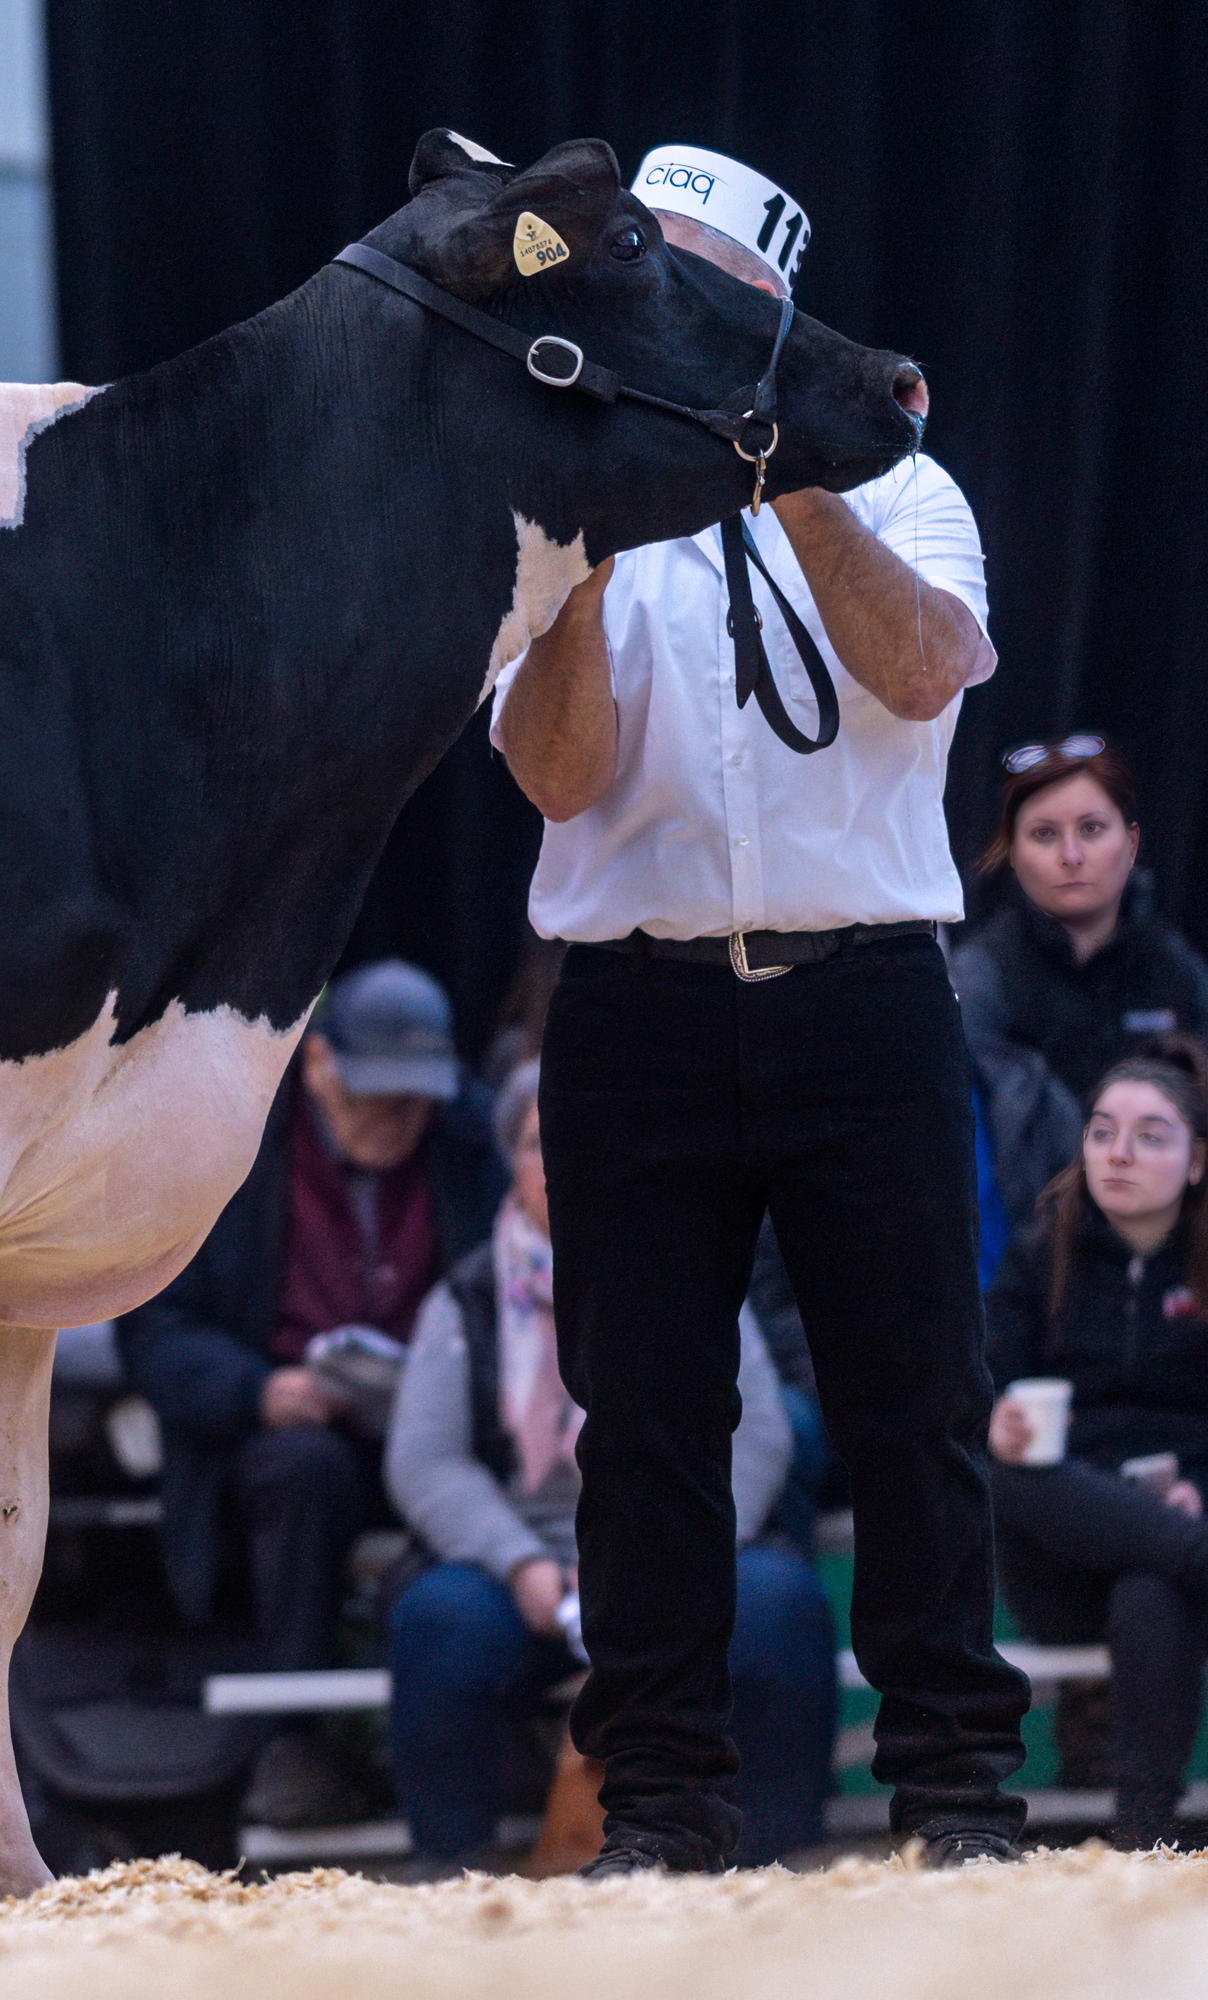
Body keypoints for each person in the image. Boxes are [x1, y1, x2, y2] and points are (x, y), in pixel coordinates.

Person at [492, 142, 1030, 1872]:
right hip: (631, 1013)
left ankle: (956, 1795)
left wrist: (794, 470)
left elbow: (924, 670)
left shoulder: (909, 487)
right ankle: (660, 1809)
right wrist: (583, 553)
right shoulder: (564, 514)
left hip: (864, 996)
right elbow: (555, 774)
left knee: (915, 1403)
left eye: (706, 299)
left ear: (777, 321)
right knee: (643, 1423)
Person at [385, 1063, 835, 1871]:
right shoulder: (465, 1298)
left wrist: (673, 1558)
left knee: (779, 1605)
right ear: (510, 1162)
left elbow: (762, 1433)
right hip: (523, 1571)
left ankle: (782, 1862)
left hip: (675, 1555)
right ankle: (449, 1873)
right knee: (438, 1619)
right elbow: (426, 1461)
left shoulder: (695, 1277)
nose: (562, 1162)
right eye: (538, 1143)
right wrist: (520, 1563)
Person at [119, 957, 506, 1820]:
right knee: (303, 1470)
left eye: (416, 1099)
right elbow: (154, 1328)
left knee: (464, 1491)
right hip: (282, 1441)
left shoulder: (468, 1141)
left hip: (443, 1431)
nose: (400, 1118)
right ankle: (290, 1744)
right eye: (378, 1095)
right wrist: (260, 1391)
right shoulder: (234, 1148)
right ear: (322, 1065)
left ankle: (466, 1737)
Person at [984, 1042, 1208, 1849]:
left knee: (1151, 1587)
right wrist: (997, 1417)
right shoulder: (1040, 1254)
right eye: (1103, 1131)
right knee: (1008, 1466)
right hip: (1060, 1557)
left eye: (1150, 1136)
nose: (1118, 1153)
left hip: (1170, 1558)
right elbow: (974, 1392)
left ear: (1196, 1162)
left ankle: (1143, 1840)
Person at [954, 738, 1208, 1111]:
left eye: (1091, 829)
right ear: (1013, 854)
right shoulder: (980, 978)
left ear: (1131, 842)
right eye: (1044, 833)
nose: (1071, 856)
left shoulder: (1177, 972)